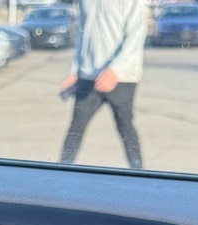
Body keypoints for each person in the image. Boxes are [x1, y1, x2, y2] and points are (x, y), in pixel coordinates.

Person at [59, 0, 147, 170]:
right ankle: (60, 174)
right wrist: (75, 71)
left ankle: (139, 175)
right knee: (75, 129)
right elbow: (82, 32)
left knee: (125, 128)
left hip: (121, 78)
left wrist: (115, 70)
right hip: (87, 76)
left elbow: (136, 34)